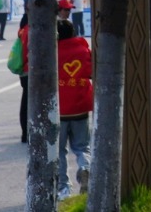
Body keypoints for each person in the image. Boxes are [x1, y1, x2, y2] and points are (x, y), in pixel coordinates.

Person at [56, 16, 94, 191]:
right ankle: (85, 167)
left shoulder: (52, 52)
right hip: (80, 105)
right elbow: (91, 72)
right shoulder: (84, 50)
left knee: (59, 150)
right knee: (82, 146)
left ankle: (64, 186)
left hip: (59, 108)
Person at [8, 17, 29, 138]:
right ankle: (27, 132)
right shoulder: (30, 30)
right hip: (29, 70)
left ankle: (25, 132)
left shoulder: (23, 29)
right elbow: (26, 52)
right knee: (28, 102)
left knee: (26, 100)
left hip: (24, 69)